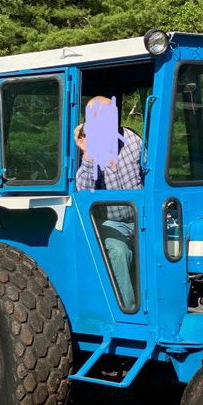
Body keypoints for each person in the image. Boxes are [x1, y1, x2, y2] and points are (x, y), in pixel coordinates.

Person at [74, 96, 143, 309]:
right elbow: (82, 193)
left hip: (142, 216)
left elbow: (152, 173)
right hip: (109, 224)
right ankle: (129, 312)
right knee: (118, 251)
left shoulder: (133, 141)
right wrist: (87, 155)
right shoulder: (86, 153)